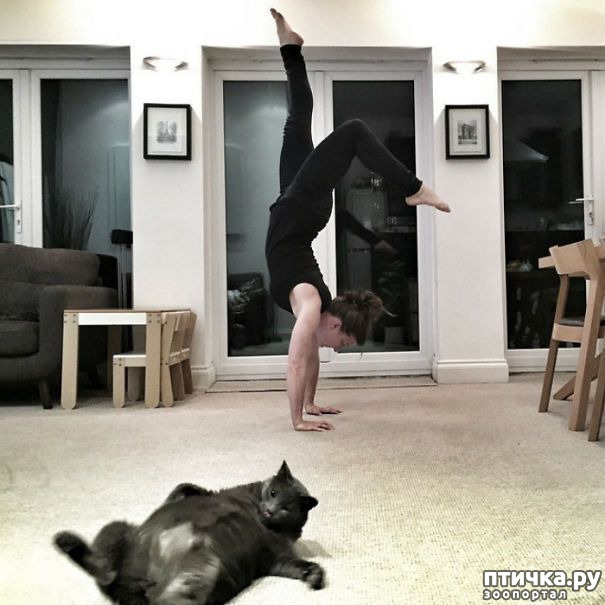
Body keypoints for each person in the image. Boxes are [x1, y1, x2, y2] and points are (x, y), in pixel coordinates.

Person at [266, 9, 450, 432]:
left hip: (295, 206)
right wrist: (299, 417)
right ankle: (413, 187)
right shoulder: (313, 306)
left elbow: (304, 356)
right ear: (334, 323)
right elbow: (300, 360)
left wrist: (307, 407)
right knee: (351, 131)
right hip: (300, 208)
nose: (340, 347)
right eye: (344, 341)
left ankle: (291, 49)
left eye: (344, 344)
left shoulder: (313, 309)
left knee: (297, 122)